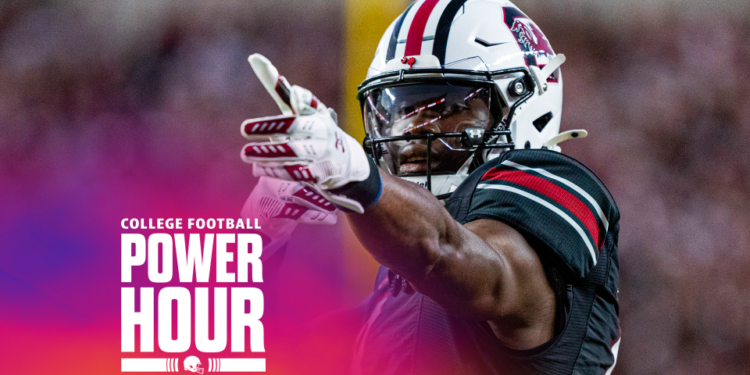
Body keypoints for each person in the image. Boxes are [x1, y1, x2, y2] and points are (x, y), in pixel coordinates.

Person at [240, 0, 621, 373]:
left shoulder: (554, 186)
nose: (413, 130)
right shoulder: (398, 292)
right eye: (401, 109)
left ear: (525, 106)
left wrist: (358, 177)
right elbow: (276, 348)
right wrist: (259, 239)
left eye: (449, 107)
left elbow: (453, 257)